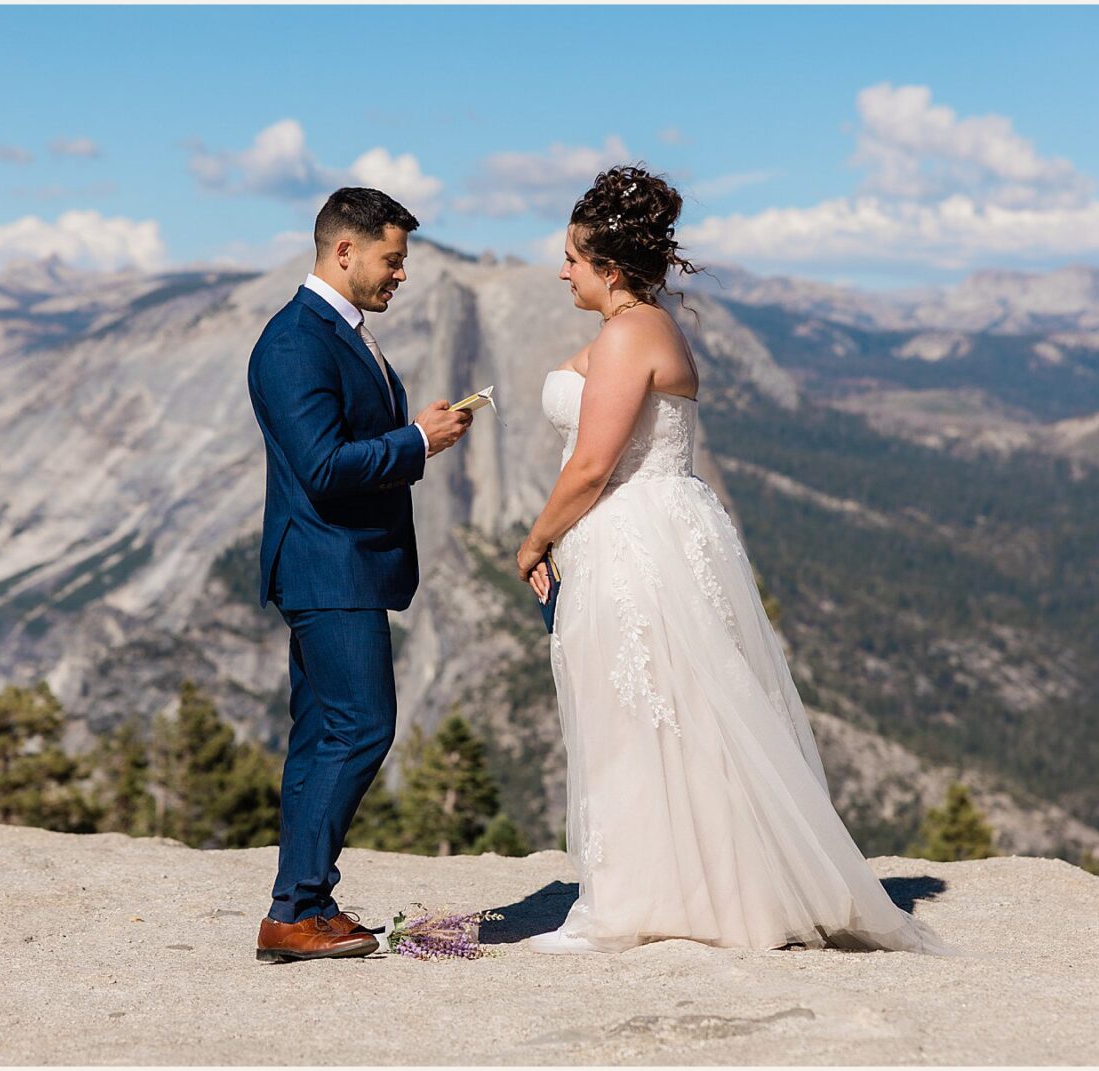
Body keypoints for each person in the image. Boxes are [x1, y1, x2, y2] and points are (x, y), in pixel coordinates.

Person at [515, 165, 955, 955]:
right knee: (676, 715)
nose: (562, 270)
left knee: (640, 719)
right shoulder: (643, 328)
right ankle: (698, 886)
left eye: (574, 259)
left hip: (635, 538)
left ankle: (643, 898)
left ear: (609, 269)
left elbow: (591, 466)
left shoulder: (626, 334)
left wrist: (536, 539)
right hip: (664, 528)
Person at [246, 187, 473, 962]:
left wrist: (414, 431)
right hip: (326, 565)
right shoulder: (294, 342)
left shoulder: (339, 332)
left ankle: (299, 903)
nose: (400, 274)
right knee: (362, 725)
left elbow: (344, 438)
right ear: (345, 252)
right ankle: (299, 907)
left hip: (335, 564)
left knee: (320, 735)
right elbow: (321, 465)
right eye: (392, 258)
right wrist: (418, 442)